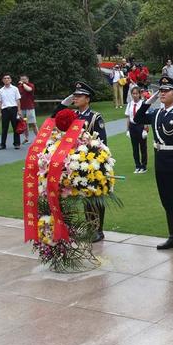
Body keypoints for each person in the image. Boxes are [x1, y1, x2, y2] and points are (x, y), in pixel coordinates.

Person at [134, 77, 173, 253]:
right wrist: (148, 101)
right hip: (160, 162)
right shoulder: (157, 113)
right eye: (161, 90)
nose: (162, 93)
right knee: (166, 200)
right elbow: (138, 118)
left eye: (166, 91)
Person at [54, 82, 107, 241]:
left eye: (79, 96)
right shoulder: (73, 116)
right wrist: (65, 102)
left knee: (95, 196)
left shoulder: (95, 117)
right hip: (76, 162)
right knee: (85, 197)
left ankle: (98, 229)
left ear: (87, 99)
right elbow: (55, 117)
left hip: (92, 163)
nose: (75, 98)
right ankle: (90, 228)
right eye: (74, 96)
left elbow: (102, 142)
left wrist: (98, 162)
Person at [125, 86, 148, 173]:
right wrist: (127, 130)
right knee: (135, 148)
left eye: (136, 93)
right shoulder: (130, 104)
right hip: (132, 126)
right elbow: (128, 117)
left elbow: (146, 117)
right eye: (133, 94)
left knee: (143, 147)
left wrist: (145, 129)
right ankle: (137, 165)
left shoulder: (143, 104)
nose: (135, 95)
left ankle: (143, 166)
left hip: (141, 126)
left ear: (139, 94)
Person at [0, 74, 22, 150]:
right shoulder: (0, 90)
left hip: (14, 109)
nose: (6, 79)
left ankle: (17, 144)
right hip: (5, 110)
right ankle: (2, 144)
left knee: (15, 127)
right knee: (4, 128)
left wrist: (19, 110)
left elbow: (18, 100)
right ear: (3, 80)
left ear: (10, 80)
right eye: (5, 78)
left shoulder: (15, 89)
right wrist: (0, 112)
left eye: (8, 78)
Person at [17, 75, 38, 143]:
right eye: (21, 79)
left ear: (27, 79)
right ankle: (26, 138)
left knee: (33, 123)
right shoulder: (19, 87)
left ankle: (38, 137)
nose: (23, 80)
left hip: (30, 107)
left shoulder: (30, 85)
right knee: (24, 124)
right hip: (22, 108)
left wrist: (23, 84)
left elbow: (29, 89)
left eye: (24, 79)